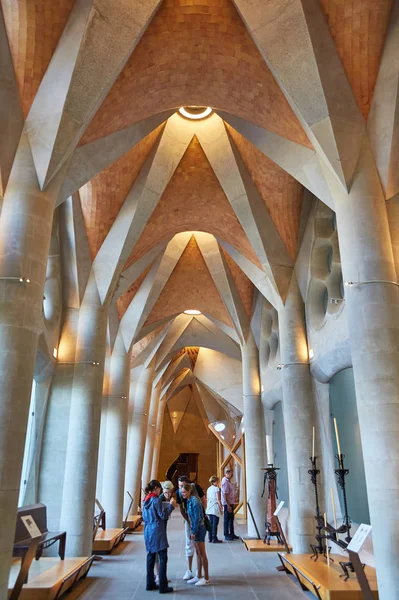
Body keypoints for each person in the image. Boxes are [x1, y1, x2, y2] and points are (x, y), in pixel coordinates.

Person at [142, 479, 175, 594]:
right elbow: (163, 515)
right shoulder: (155, 500)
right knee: (163, 557)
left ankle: (150, 583)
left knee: (150, 557)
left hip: (148, 530)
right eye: (160, 488)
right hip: (157, 530)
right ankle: (163, 585)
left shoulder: (145, 500)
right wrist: (171, 506)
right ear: (156, 488)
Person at [176, 475, 206, 581]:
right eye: (179, 486)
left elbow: (203, 501)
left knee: (200, 549)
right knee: (189, 544)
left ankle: (201, 573)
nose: (181, 489)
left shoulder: (195, 493)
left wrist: (202, 516)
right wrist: (189, 521)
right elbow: (181, 509)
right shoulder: (180, 494)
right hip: (189, 520)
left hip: (197, 521)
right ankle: (190, 570)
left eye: (183, 486)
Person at [181, 482, 210, 586]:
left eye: (184, 492)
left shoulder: (194, 501)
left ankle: (206, 578)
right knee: (198, 553)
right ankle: (198, 576)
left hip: (199, 529)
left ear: (189, 491)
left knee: (202, 554)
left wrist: (193, 531)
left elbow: (197, 518)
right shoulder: (189, 500)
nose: (182, 494)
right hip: (195, 528)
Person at [221, 467, 239, 541]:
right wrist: (228, 505)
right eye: (231, 474)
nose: (232, 475)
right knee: (227, 519)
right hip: (227, 504)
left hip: (230, 502)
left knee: (231, 519)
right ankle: (226, 534)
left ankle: (232, 533)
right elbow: (225, 494)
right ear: (227, 473)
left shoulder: (228, 481)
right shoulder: (225, 482)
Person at [206, 476, 223, 543]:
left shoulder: (208, 489)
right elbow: (218, 499)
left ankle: (210, 538)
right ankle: (214, 538)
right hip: (215, 507)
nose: (218, 482)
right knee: (215, 524)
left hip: (209, 507)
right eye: (217, 481)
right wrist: (221, 507)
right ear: (214, 482)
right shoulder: (216, 489)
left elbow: (207, 499)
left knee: (211, 523)